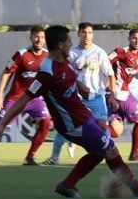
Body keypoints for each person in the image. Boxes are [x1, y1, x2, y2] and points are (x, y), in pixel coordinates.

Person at [0, 25, 138, 198]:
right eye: (69, 41)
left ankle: (67, 185)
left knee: (100, 151)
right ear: (61, 45)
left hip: (84, 117)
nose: (72, 44)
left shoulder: (64, 60)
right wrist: (2, 123)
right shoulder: (47, 72)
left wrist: (80, 85)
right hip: (74, 124)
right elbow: (23, 99)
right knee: (110, 149)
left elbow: (69, 77)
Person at [0, 25, 53, 166]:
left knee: (46, 123)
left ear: (45, 39)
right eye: (36, 36)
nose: (39, 40)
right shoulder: (21, 54)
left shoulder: (48, 56)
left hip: (34, 99)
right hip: (15, 99)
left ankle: (30, 157)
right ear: (31, 37)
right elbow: (6, 72)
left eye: (41, 37)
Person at [40, 22, 117, 166]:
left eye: (89, 32)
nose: (86, 35)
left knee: (102, 126)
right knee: (67, 127)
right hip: (75, 97)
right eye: (83, 32)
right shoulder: (71, 53)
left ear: (93, 34)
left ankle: (108, 154)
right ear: (78, 34)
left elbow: (111, 76)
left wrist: (112, 96)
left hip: (96, 97)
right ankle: (54, 157)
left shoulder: (99, 53)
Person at [108, 29, 138, 162]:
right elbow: (104, 61)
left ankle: (88, 131)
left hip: (123, 94)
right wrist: (109, 82)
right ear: (129, 39)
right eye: (134, 38)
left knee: (116, 131)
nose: (137, 41)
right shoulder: (121, 51)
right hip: (120, 93)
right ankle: (134, 154)